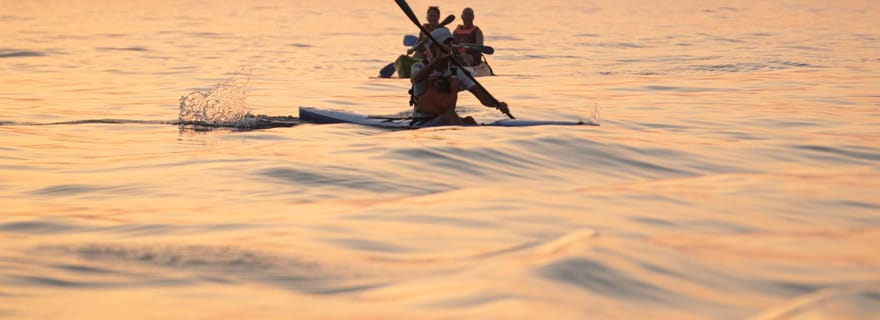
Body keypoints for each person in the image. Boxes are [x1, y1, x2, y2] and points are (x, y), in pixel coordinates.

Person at [409, 27, 509, 126]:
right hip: (422, 121)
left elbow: (481, 96)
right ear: (432, 48)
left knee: (469, 120)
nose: (447, 47)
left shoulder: (457, 71)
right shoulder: (419, 67)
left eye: (449, 44)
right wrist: (436, 61)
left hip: (445, 119)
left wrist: (497, 104)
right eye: (444, 44)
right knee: (450, 114)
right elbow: (416, 79)